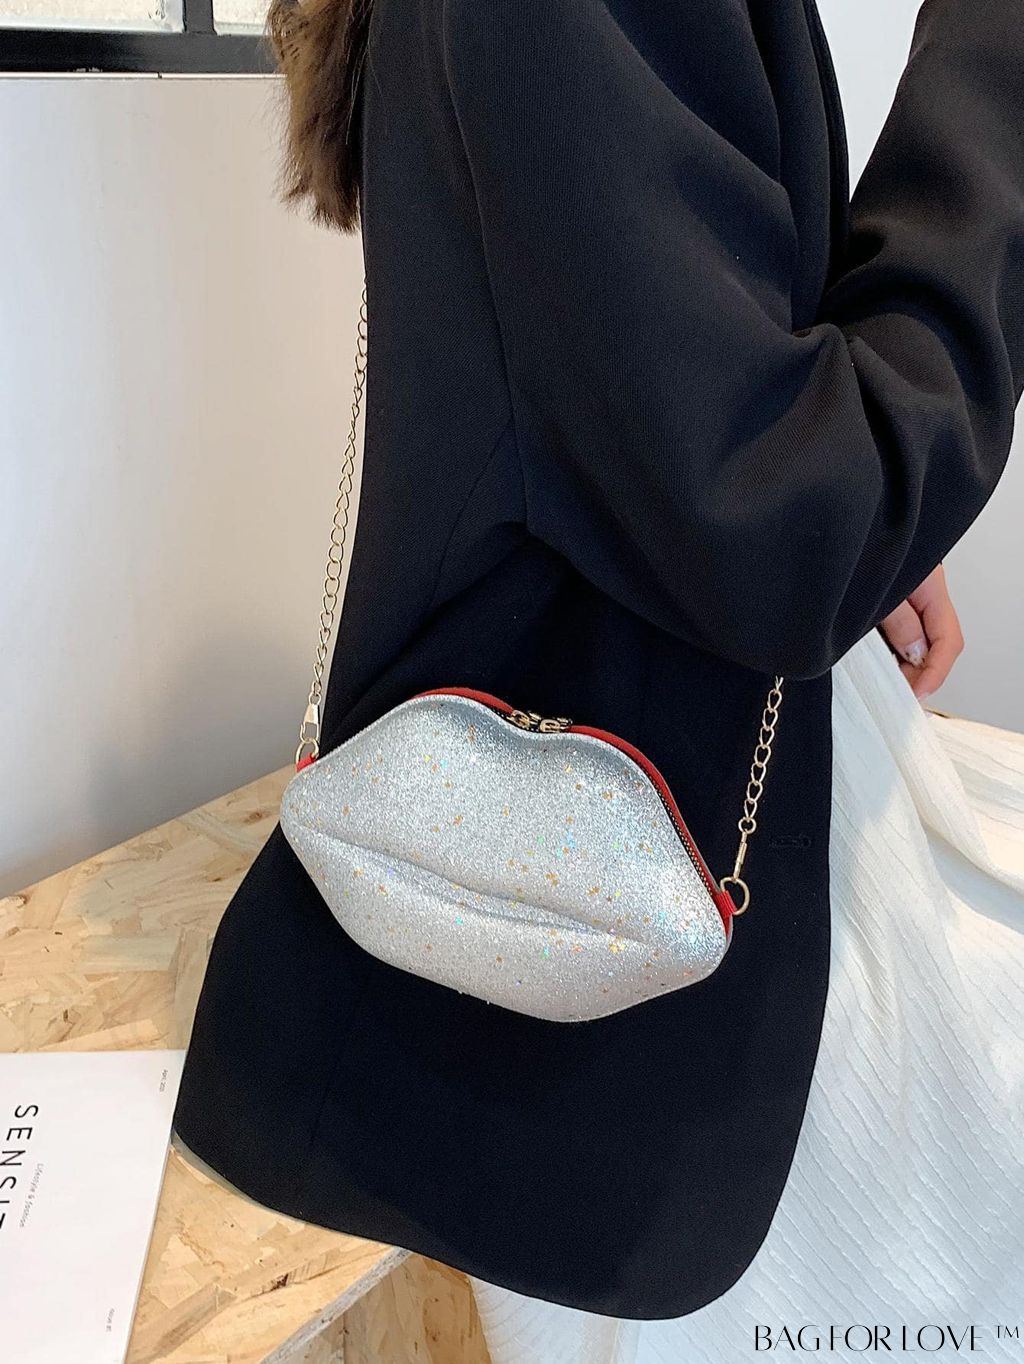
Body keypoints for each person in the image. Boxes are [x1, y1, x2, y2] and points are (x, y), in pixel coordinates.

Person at [173, 0, 1024, 1331]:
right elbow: (794, 529)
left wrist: (836, 461)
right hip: (635, 1044)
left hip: (676, 828)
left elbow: (682, 390)